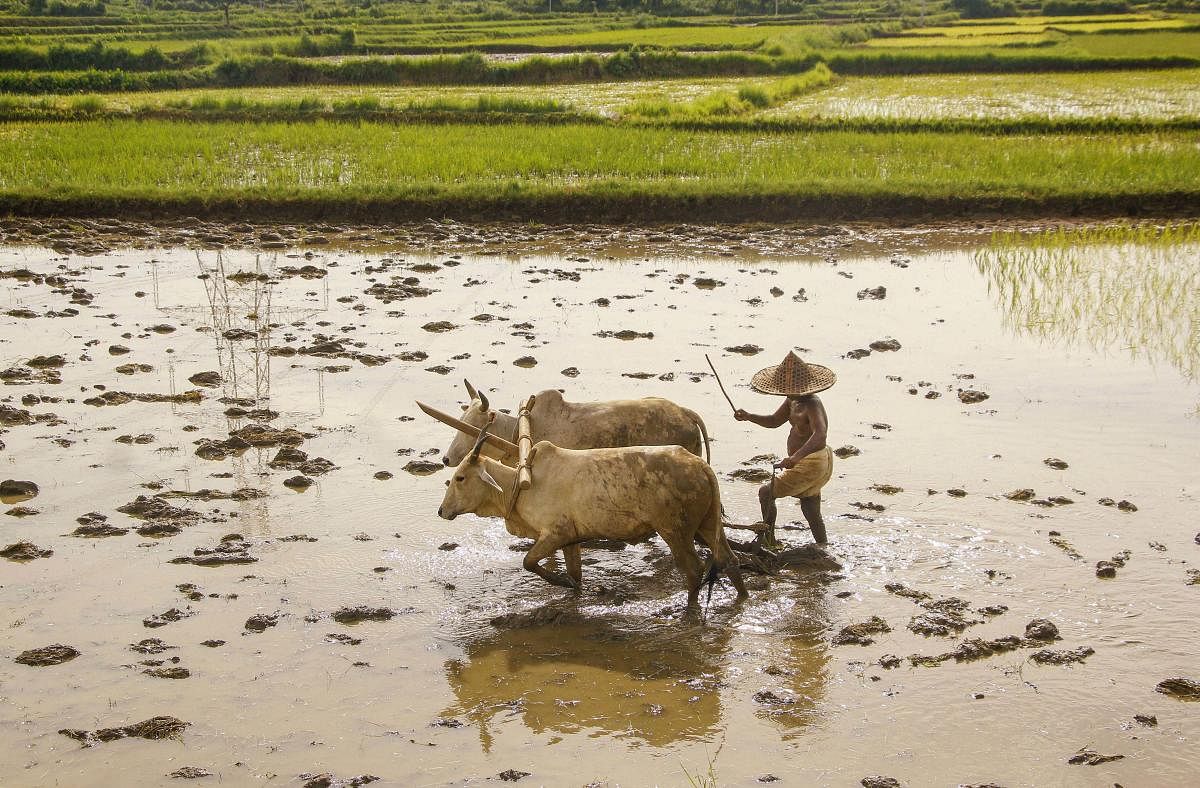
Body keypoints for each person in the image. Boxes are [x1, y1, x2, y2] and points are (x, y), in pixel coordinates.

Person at [733, 351, 835, 548]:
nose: (786, 392)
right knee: (810, 507)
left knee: (766, 493)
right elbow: (774, 421)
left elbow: (820, 434)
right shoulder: (792, 400)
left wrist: (795, 458)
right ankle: (823, 547)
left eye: (790, 389)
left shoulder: (812, 404)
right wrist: (748, 416)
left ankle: (768, 540)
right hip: (807, 461)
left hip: (812, 462)